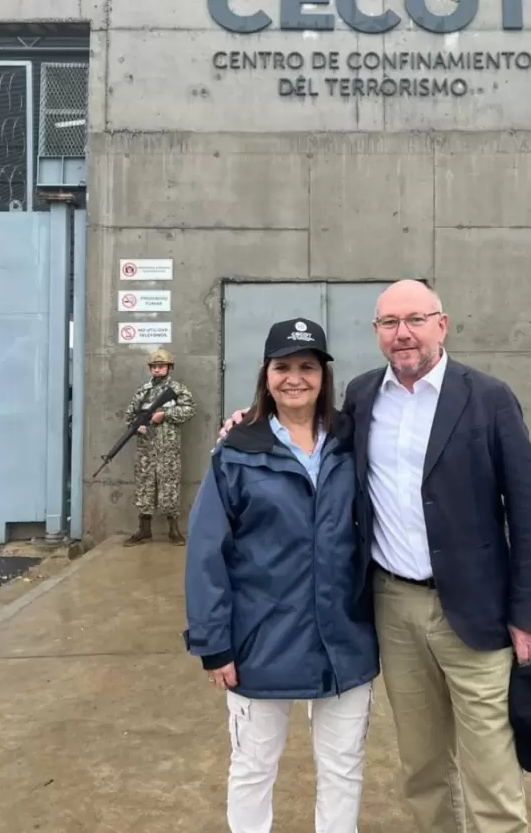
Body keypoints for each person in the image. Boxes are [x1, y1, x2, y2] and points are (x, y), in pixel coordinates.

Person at [221, 281, 531, 833]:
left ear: (441, 325)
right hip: (393, 606)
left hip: (476, 612)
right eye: (389, 323)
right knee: (422, 765)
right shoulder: (363, 395)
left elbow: (529, 511)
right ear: (376, 333)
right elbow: (308, 431)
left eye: (415, 320)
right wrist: (252, 423)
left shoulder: (488, 398)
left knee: (489, 769)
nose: (403, 334)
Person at [184, 318, 379, 833]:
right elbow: (207, 552)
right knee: (253, 768)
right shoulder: (236, 451)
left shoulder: (350, 442)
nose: (296, 378)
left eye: (307, 367)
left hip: (344, 640)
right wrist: (213, 642)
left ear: (324, 375)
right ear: (266, 374)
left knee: (343, 769)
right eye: (283, 366)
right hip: (260, 641)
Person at [123, 348, 196, 547]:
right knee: (145, 486)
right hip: (146, 449)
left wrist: (165, 415)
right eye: (154, 366)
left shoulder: (178, 389)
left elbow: (190, 410)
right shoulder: (143, 391)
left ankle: (173, 530)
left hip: (169, 449)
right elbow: (129, 416)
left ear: (169, 368)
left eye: (161, 366)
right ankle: (144, 530)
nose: (157, 370)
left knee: (169, 486)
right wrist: (139, 425)